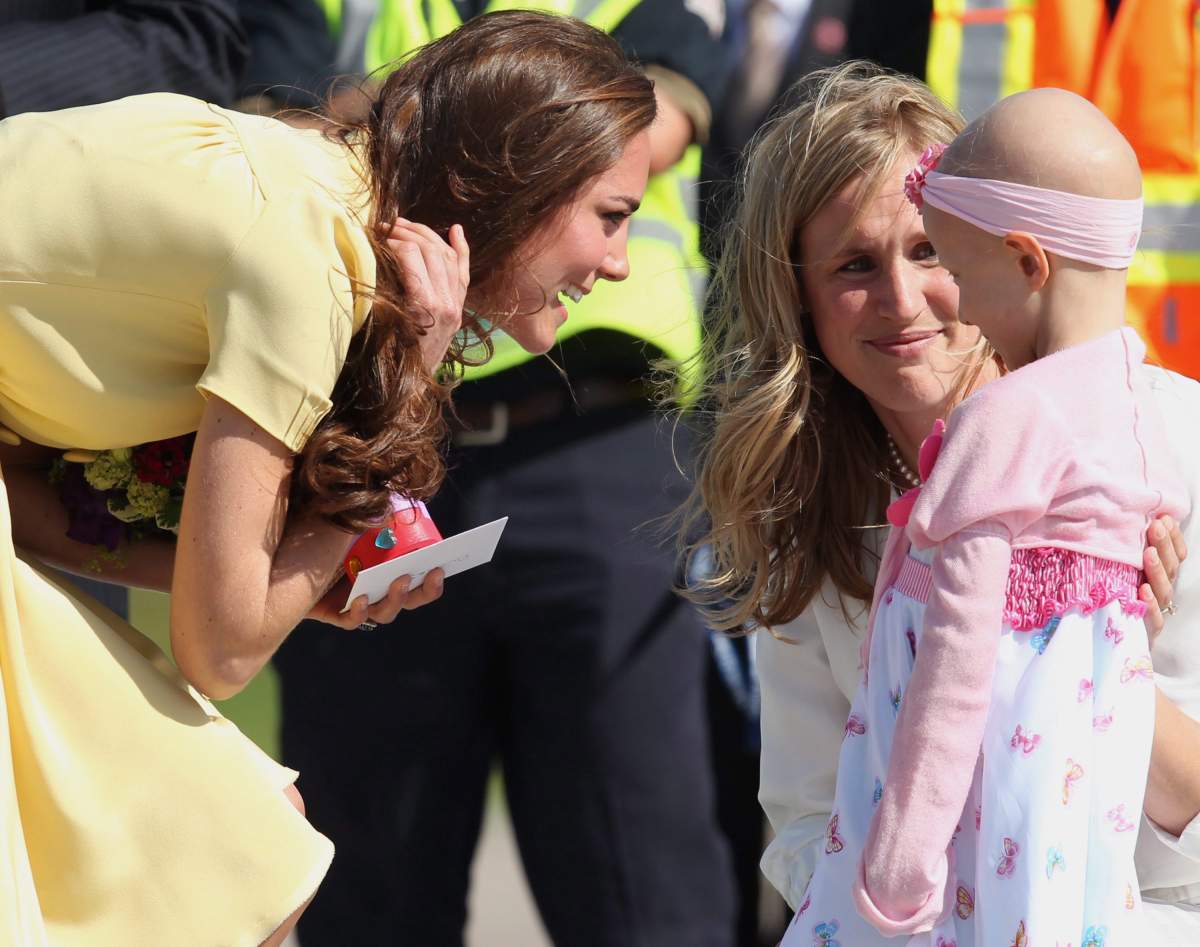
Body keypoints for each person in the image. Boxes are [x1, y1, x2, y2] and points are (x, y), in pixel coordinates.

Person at [0, 12, 655, 945]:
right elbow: (219, 653)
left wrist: (302, 588)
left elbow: (26, 507)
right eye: (612, 217)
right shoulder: (315, 251)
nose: (620, 264)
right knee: (248, 862)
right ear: (529, 177)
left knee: (241, 859)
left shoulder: (319, 192)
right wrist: (405, 394)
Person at [679, 61, 1200, 942]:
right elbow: (807, 820)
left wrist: (1097, 655)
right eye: (853, 265)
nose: (903, 299)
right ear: (798, 304)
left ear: (1010, 252)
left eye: (928, 250)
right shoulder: (802, 514)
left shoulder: (1169, 448)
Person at [272, 3, 740, 946]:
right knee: (368, 884)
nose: (609, 251)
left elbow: (651, 118)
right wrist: (484, 108)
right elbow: (277, 143)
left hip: (602, 457)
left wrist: (409, 115)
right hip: (372, 442)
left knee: (645, 888)